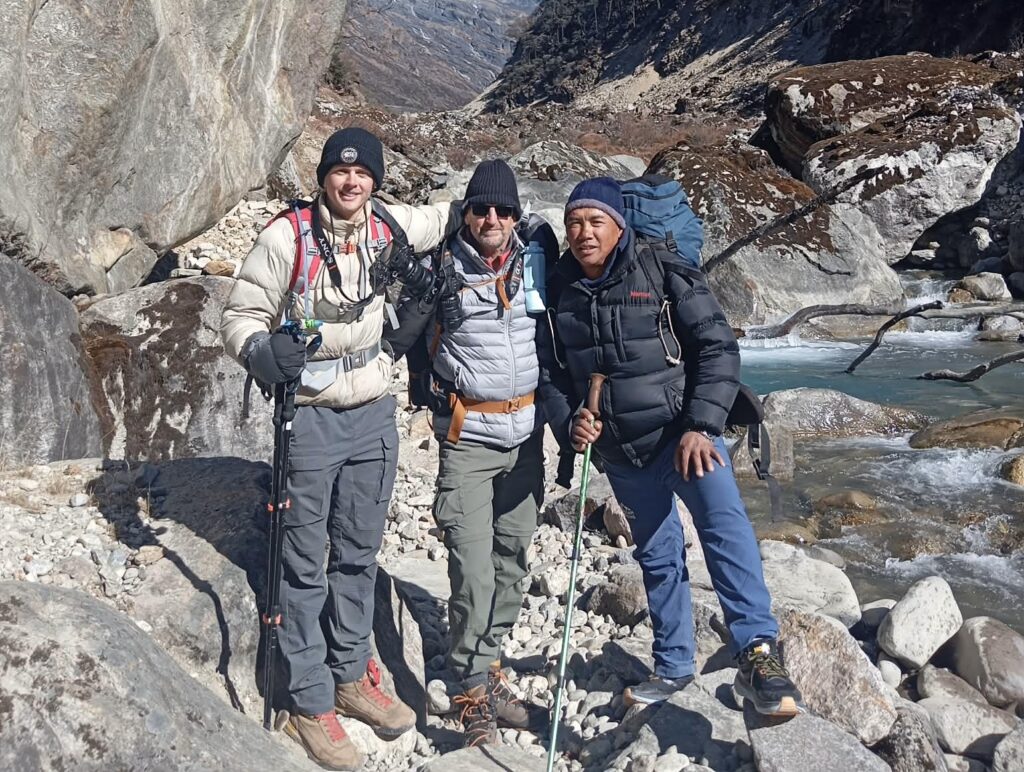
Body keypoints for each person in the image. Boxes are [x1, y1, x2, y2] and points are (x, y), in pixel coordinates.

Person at [221, 126, 461, 770]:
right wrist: (260, 352)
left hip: (374, 413)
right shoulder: (285, 238)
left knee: (356, 553)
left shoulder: (391, 224)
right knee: (303, 561)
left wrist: (500, 209)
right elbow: (239, 316)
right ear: (324, 176)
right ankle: (308, 700)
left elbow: (452, 214)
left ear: (376, 181)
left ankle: (352, 674)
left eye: (363, 174)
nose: (351, 183)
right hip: (312, 416)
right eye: (340, 172)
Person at [535, 177, 803, 715]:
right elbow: (550, 375)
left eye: (595, 222)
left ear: (619, 225)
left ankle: (758, 655)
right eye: (574, 224)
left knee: (725, 533)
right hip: (622, 452)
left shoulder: (661, 267)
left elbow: (717, 347)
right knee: (658, 558)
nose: (584, 233)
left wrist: (702, 426)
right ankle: (674, 666)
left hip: (684, 440)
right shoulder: (559, 288)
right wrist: (569, 427)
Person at [385, 159, 557, 747]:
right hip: (469, 438)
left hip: (528, 437)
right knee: (472, 569)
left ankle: (489, 661)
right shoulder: (441, 271)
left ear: (515, 215)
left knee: (513, 561)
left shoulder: (536, 261)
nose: (492, 219)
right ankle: (470, 689)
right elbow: (400, 338)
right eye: (481, 208)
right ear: (465, 212)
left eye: (503, 210)